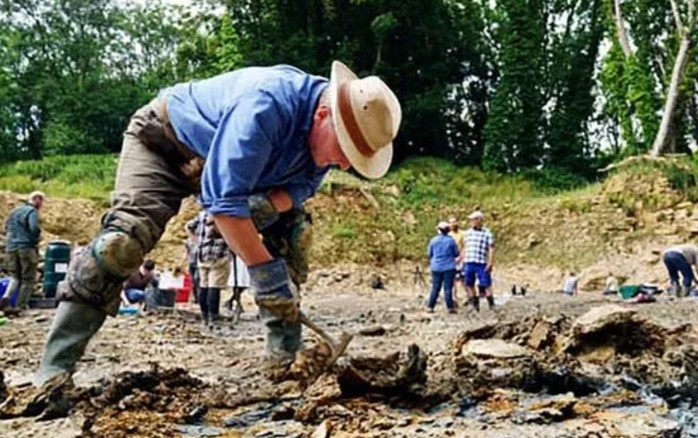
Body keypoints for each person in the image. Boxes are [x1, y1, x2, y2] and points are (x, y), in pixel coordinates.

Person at [33, 61, 401, 388]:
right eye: (346, 150)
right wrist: (267, 274)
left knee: (294, 233)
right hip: (166, 145)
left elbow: (299, 187)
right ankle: (53, 370)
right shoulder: (267, 104)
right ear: (324, 114)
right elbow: (223, 204)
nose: (346, 165)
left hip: (240, 172)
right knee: (121, 246)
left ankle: (284, 361)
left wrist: (263, 209)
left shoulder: (328, 138)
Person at [4, 191, 44, 312]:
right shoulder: (31, 211)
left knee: (15, 277)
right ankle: (20, 307)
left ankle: (6, 298)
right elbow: (34, 228)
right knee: (28, 278)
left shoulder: (14, 211)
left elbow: (6, 227)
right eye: (42, 201)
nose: (42, 205)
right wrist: (37, 238)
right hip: (26, 248)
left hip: (11, 247)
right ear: (37, 199)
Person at [189, 210, 231, 327]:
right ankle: (213, 317)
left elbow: (189, 226)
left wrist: (196, 242)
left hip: (203, 255)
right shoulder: (223, 212)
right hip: (219, 255)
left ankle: (205, 316)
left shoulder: (202, 214)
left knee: (204, 285)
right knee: (214, 287)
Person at [460, 210, 495, 311]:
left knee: (486, 283)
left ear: (479, 220)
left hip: (481, 262)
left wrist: (490, 261)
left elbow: (491, 247)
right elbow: (465, 247)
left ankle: (491, 305)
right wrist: (462, 260)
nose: (471, 221)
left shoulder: (487, 233)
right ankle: (475, 305)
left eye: (474, 219)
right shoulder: (468, 233)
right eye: (471, 220)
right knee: (469, 283)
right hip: (469, 261)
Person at [426, 222, 459, 313]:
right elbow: (456, 253)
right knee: (448, 288)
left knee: (435, 287)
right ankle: (450, 307)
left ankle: (430, 306)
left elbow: (429, 253)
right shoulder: (451, 241)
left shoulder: (433, 240)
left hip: (436, 267)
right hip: (449, 267)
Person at [448, 217, 466, 307]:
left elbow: (464, 246)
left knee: (463, 278)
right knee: (453, 279)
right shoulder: (448, 235)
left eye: (454, 222)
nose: (453, 224)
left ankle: (467, 296)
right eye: (451, 223)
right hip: (451, 260)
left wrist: (461, 257)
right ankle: (454, 298)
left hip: (461, 259)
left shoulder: (463, 234)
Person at [182, 224, 200, 304]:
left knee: (198, 279)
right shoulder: (188, 241)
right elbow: (186, 252)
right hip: (191, 262)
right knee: (192, 280)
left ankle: (199, 297)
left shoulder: (199, 240)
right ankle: (196, 298)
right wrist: (183, 262)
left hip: (199, 262)